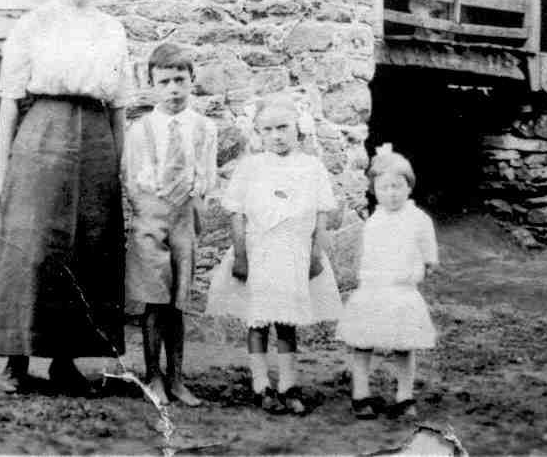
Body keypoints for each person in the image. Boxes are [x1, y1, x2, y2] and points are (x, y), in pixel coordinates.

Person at [0, 0, 130, 396]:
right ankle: (15, 360)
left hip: (96, 137)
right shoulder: (34, 24)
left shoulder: (112, 29)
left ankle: (65, 362)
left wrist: (119, 164)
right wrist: (1, 167)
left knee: (86, 247)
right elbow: (10, 99)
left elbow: (120, 105)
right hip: (43, 129)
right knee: (33, 246)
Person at [205, 96, 342, 415]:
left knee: (287, 322)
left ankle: (289, 384)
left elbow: (322, 212)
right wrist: (240, 255)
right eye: (268, 129)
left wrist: (316, 253)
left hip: (294, 252)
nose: (277, 135)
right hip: (260, 251)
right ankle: (261, 384)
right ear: (259, 133)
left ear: (298, 128)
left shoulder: (311, 167)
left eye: (283, 127)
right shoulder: (251, 166)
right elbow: (236, 212)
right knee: (259, 320)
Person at [123, 42, 218, 407]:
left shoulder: (204, 128)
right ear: (152, 84)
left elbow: (208, 174)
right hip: (151, 216)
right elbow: (131, 179)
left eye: (180, 79)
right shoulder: (140, 130)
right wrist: (150, 208)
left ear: (192, 80)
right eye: (164, 82)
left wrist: (194, 201)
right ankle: (154, 377)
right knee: (154, 301)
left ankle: (177, 378)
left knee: (178, 302)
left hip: (185, 217)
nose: (173, 89)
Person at [337, 144, 439, 421]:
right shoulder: (374, 220)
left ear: (409, 187)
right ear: (374, 190)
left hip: (402, 291)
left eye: (397, 186)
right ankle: (361, 395)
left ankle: (404, 397)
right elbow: (363, 254)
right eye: (384, 188)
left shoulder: (419, 219)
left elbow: (430, 256)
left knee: (404, 344)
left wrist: (422, 266)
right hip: (372, 290)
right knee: (363, 341)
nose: (391, 193)